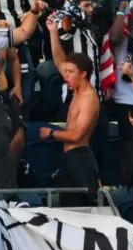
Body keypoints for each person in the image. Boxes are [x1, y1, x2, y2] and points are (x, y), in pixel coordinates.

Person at [39, 53, 101, 201]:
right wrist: (53, 31)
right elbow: (60, 62)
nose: (66, 76)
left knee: (81, 207)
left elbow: (76, 135)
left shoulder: (88, 98)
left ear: (83, 74)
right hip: (69, 157)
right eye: (65, 72)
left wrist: (51, 133)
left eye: (71, 72)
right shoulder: (76, 90)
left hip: (80, 159)